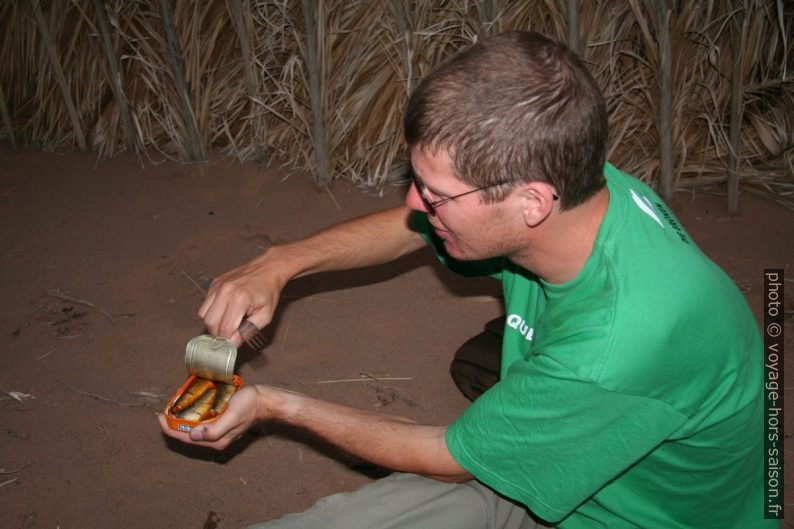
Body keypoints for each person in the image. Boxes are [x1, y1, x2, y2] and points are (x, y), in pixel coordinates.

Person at [159, 31, 772, 528]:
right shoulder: (574, 179)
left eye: (436, 193)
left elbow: (448, 457)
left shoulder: (612, 347)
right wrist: (280, 262)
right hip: (560, 455)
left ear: (530, 202)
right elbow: (413, 227)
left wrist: (274, 403)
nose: (413, 202)